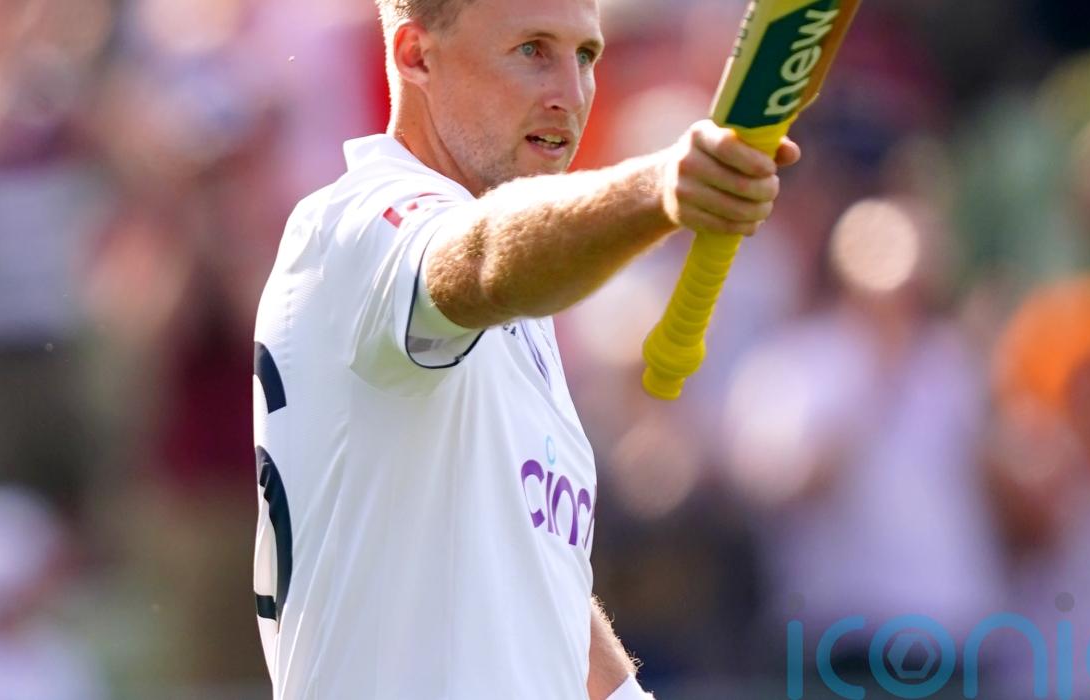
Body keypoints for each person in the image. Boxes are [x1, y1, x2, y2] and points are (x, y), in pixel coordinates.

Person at [250, 0, 798, 697]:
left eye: (586, 56)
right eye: (533, 50)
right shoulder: (360, 222)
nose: (571, 94)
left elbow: (534, 577)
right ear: (416, 56)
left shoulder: (522, 312)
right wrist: (659, 188)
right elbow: (479, 258)